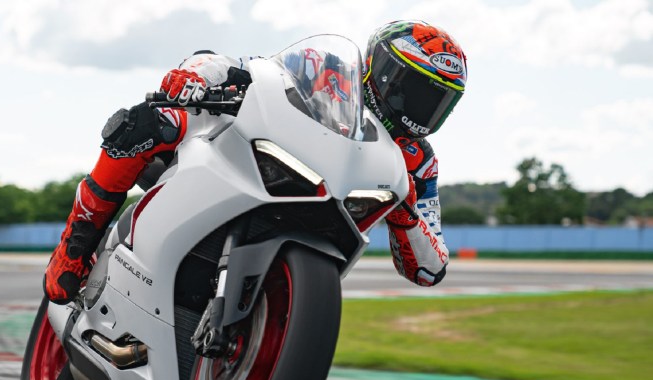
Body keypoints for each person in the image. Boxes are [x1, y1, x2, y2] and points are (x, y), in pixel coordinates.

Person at [44, 20, 467, 303]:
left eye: (437, 102)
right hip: (257, 160)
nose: (420, 109)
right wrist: (196, 75)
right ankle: (77, 242)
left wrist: (407, 214)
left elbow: (431, 270)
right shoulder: (327, 70)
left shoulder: (417, 163)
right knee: (149, 122)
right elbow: (248, 68)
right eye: (414, 90)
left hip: (318, 229)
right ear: (381, 69)